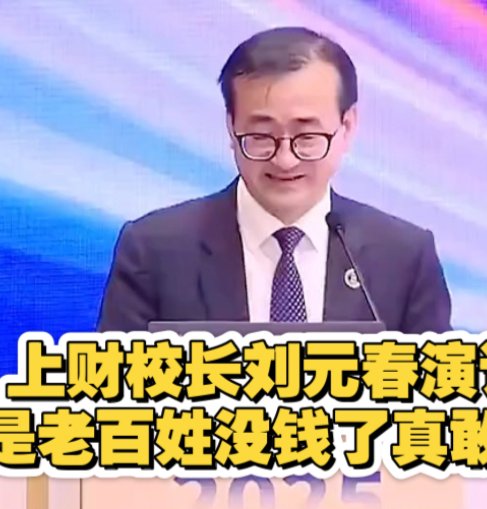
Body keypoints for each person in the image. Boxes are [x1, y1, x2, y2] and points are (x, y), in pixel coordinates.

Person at [98, 27, 451, 333]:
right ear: (231, 127)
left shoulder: (404, 257)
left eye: (307, 136)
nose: (285, 159)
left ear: (347, 126)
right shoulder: (155, 251)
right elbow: (115, 385)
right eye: (261, 136)